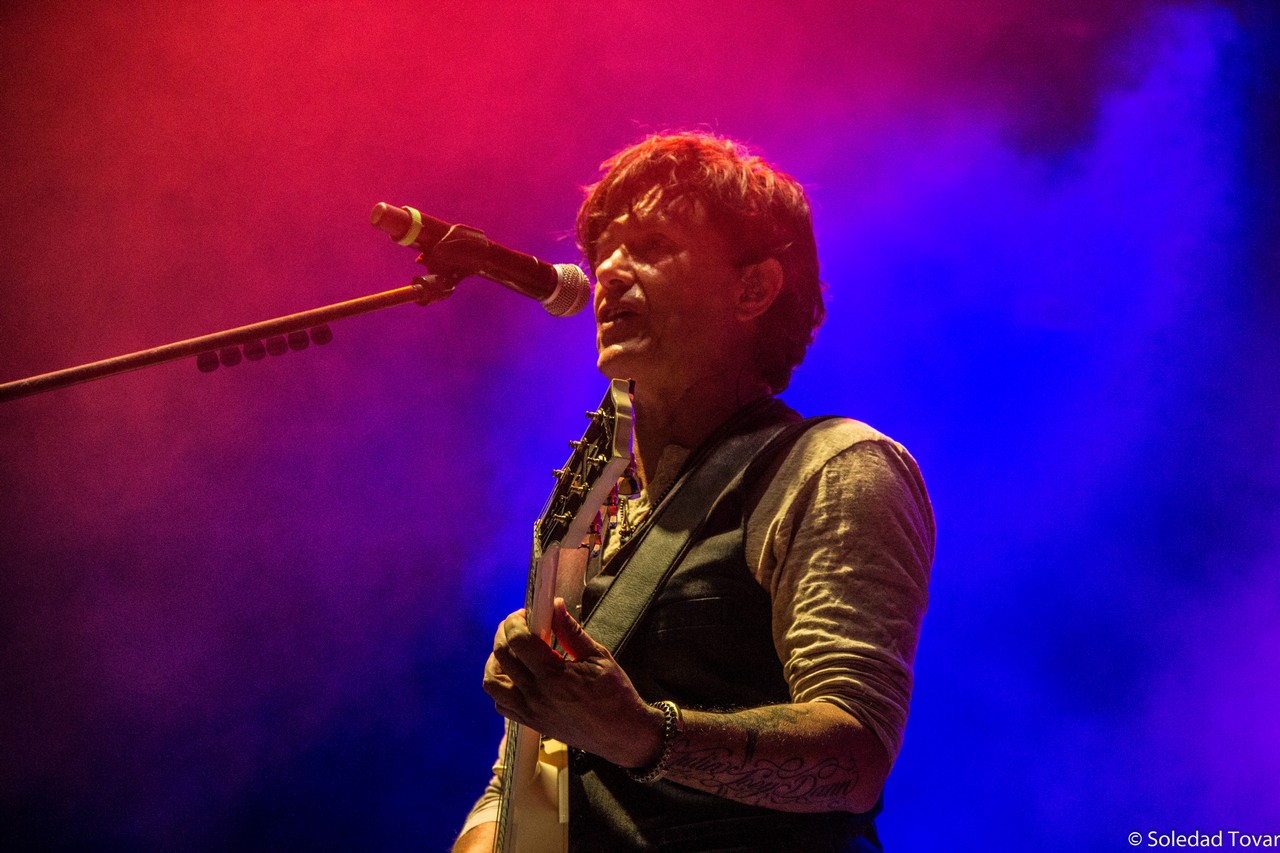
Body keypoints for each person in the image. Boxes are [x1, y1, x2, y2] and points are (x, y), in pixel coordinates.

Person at [454, 132, 934, 852]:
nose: (608, 271)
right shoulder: (592, 513)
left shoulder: (833, 466)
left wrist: (643, 734)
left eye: (652, 245)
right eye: (603, 252)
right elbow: (529, 774)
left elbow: (854, 759)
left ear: (753, 289)